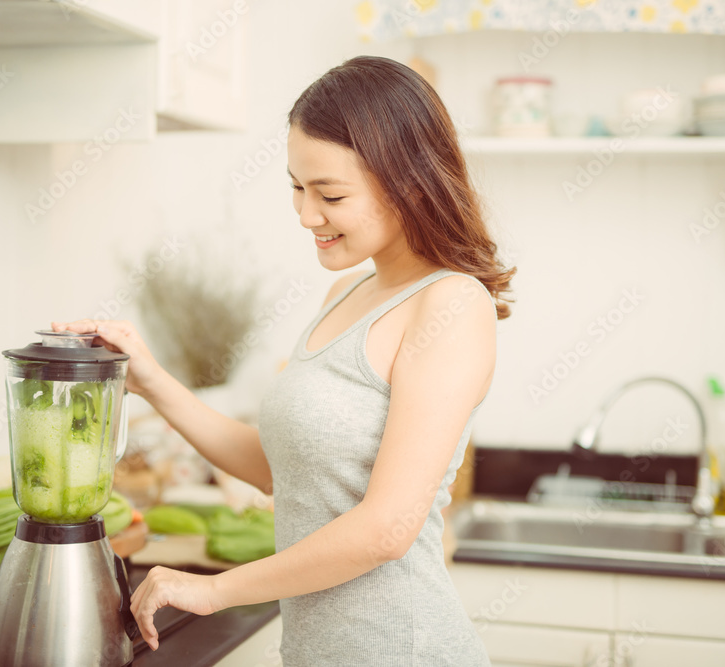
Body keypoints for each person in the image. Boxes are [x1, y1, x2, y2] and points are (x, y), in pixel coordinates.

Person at [53, 55, 515, 666]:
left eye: (330, 194)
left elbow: (387, 528)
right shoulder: (344, 296)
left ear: (409, 182)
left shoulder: (452, 304)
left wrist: (213, 590)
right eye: (297, 188)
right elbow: (285, 473)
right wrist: (152, 381)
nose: (306, 215)